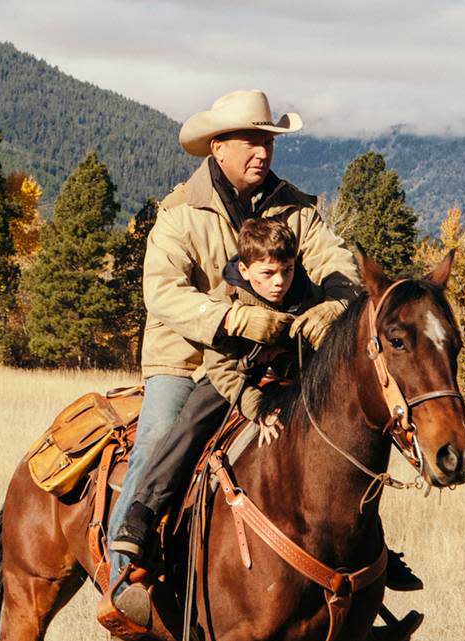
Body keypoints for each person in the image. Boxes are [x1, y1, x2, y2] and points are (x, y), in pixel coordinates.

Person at [103, 89, 422, 625]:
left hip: (282, 357)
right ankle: (126, 571)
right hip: (192, 359)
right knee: (161, 435)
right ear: (218, 146)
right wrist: (230, 320)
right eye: (251, 141)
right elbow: (161, 292)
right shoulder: (181, 213)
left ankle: (366, 568)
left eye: (268, 141)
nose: (262, 152)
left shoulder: (295, 207)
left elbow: (337, 263)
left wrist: (336, 306)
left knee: (342, 436)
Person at [111, 217, 317, 562]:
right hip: (232, 380)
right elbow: (221, 370)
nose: (280, 282)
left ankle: (373, 547)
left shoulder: (304, 296)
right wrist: (258, 407)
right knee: (189, 424)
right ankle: (142, 513)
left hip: (288, 379)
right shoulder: (231, 301)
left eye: (287, 270)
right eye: (268, 274)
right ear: (246, 269)